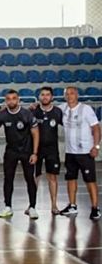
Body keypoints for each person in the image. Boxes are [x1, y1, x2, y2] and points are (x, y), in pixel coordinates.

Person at [0, 89, 39, 220]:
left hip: (27, 151)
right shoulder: (2, 115)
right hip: (11, 151)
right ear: (5, 100)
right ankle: (8, 207)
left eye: (14, 98)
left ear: (18, 99)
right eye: (8, 98)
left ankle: (32, 207)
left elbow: (36, 133)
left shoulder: (27, 114)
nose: (11, 101)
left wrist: (35, 153)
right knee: (8, 179)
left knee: (30, 178)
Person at [58, 86, 100, 220]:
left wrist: (96, 146)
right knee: (71, 179)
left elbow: (96, 128)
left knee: (90, 180)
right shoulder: (62, 108)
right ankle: (72, 205)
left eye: (72, 93)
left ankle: (95, 208)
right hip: (70, 152)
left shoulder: (86, 109)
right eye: (67, 94)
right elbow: (47, 110)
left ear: (77, 95)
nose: (69, 96)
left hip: (85, 151)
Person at [31, 87, 63, 215]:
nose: (45, 97)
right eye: (42, 95)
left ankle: (54, 205)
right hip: (36, 149)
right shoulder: (33, 111)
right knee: (35, 177)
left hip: (52, 149)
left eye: (47, 95)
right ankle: (32, 205)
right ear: (39, 97)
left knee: (52, 177)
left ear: (52, 97)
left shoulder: (58, 112)